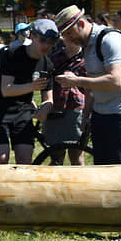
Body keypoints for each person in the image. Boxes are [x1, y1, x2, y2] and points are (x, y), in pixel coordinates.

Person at [54, 6, 121, 165]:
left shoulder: (110, 40)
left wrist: (77, 81)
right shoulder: (88, 45)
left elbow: (115, 81)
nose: (68, 39)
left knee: (119, 169)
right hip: (99, 113)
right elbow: (92, 86)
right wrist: (86, 116)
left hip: (119, 114)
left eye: (69, 33)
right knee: (101, 168)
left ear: (82, 24)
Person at [0, 19, 57, 165]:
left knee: (24, 161)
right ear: (33, 36)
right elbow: (6, 89)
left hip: (22, 112)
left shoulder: (47, 64)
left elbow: (48, 98)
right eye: (43, 40)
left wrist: (45, 108)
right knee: (2, 159)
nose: (47, 45)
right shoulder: (13, 54)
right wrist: (32, 86)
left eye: (51, 41)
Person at [44, 34, 86, 165]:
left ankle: (80, 184)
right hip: (56, 109)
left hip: (77, 109)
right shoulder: (54, 58)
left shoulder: (88, 58)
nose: (72, 39)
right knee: (56, 155)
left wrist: (77, 80)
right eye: (69, 37)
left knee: (77, 154)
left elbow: (93, 87)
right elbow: (46, 84)